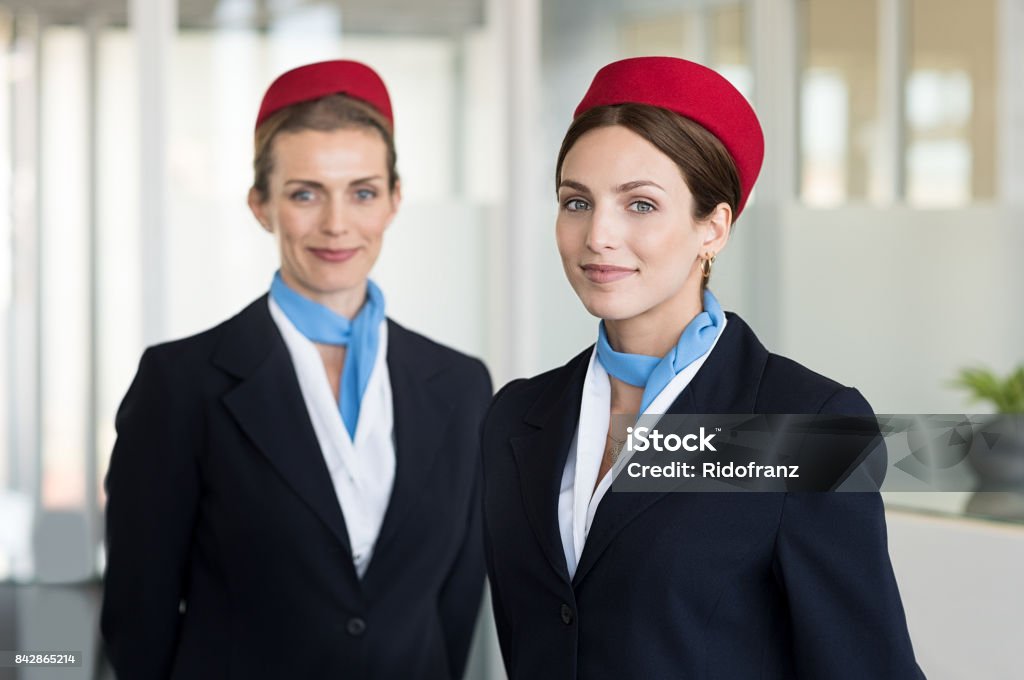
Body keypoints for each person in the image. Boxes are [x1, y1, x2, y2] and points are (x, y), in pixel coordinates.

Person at [481, 57, 925, 678]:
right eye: (576, 202)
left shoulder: (803, 422)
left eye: (640, 205)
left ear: (713, 228)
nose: (598, 235)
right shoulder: (517, 416)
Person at [101, 60, 492, 680]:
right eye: (305, 193)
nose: (336, 224)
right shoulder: (181, 384)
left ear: (394, 200)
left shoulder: (461, 386)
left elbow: (455, 607)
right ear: (261, 205)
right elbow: (137, 615)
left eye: (362, 192)